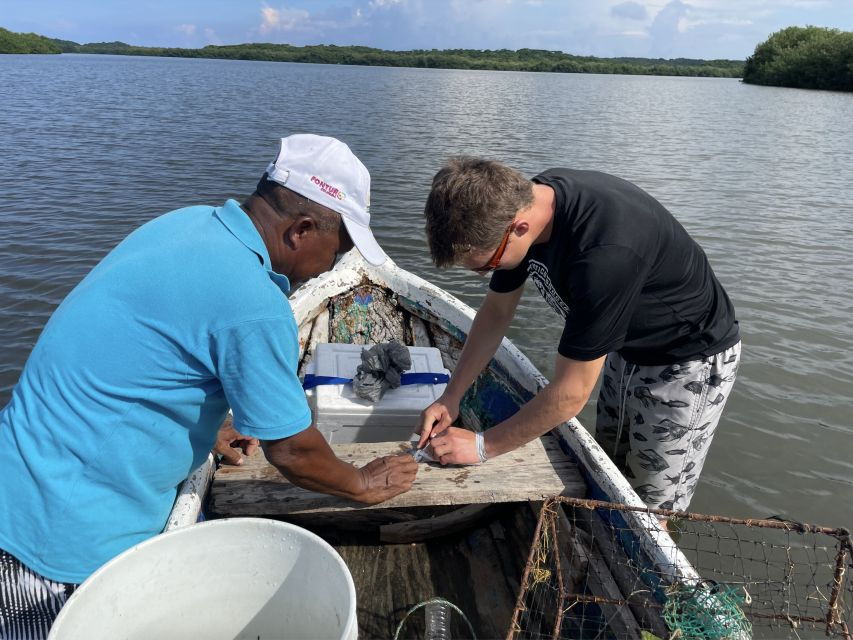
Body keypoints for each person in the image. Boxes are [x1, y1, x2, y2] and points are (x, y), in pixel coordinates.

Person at [0, 134, 417, 638]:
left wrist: (202, 424)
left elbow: (143, 355)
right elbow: (293, 453)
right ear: (302, 230)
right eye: (341, 246)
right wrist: (362, 484)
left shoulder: (187, 223)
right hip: (57, 540)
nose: (335, 264)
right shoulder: (253, 305)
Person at [418, 157, 741, 516]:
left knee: (653, 507)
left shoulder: (604, 257)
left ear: (519, 227)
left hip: (687, 361)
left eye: (486, 266)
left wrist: (482, 446)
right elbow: (495, 312)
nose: (484, 275)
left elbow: (571, 393)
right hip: (626, 347)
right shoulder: (528, 199)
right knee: (614, 471)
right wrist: (452, 396)